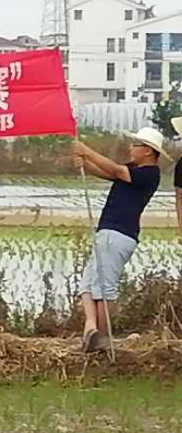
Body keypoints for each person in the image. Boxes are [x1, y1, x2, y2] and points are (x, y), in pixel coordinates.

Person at [72, 128, 166, 352]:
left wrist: (87, 151)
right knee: (88, 285)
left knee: (104, 288)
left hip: (118, 234)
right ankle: (91, 330)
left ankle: (103, 338)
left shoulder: (150, 174)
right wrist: (84, 163)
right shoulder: (133, 168)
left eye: (136, 145)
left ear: (148, 151)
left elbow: (114, 169)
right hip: (107, 232)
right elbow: (108, 173)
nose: (130, 148)